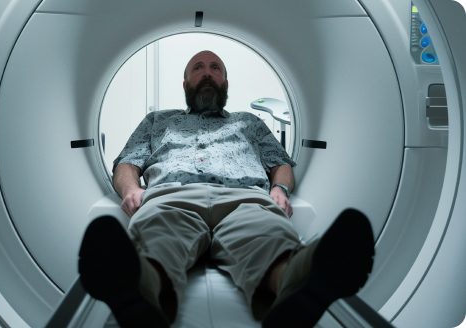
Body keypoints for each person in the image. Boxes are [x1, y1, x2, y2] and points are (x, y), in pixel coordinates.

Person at [78, 51, 375, 328]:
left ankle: (297, 281)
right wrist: (131, 190)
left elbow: (279, 163)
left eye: (215, 68)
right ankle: (141, 290)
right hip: (173, 195)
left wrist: (280, 188)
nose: (207, 73)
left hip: (245, 197)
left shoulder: (249, 122)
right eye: (198, 68)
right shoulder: (158, 120)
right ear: (185, 84)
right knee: (159, 232)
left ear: (225, 83)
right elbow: (128, 162)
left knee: (265, 233)